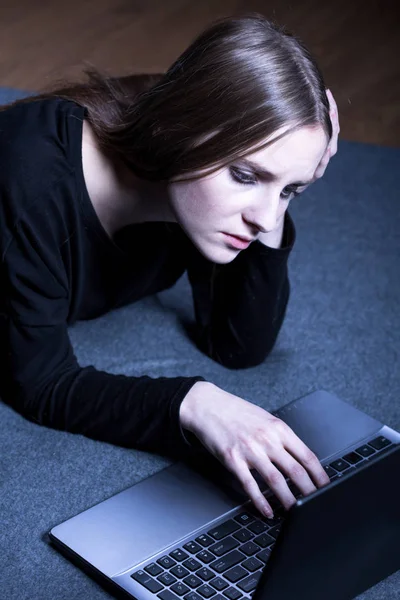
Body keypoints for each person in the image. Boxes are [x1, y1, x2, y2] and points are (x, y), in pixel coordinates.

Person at [0, 13, 339, 519]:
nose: (263, 218)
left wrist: (289, 181)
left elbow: (238, 345)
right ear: (180, 131)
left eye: (288, 191)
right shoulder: (28, 178)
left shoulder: (198, 183)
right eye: (246, 176)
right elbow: (43, 384)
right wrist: (194, 404)